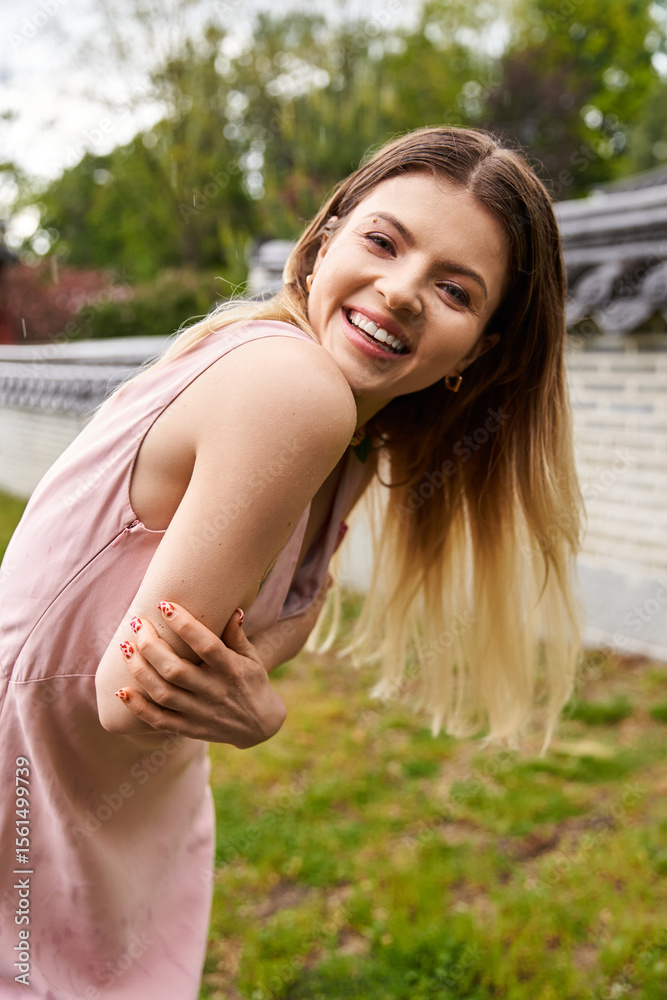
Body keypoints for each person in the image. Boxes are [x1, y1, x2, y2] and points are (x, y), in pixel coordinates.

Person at [0, 126, 583, 997]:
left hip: (108, 796)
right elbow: (133, 697)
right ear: (322, 242)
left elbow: (281, 618)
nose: (400, 291)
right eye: (383, 241)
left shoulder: (357, 437)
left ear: (478, 350)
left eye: (453, 290)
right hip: (33, 790)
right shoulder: (294, 389)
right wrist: (256, 710)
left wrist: (245, 677)